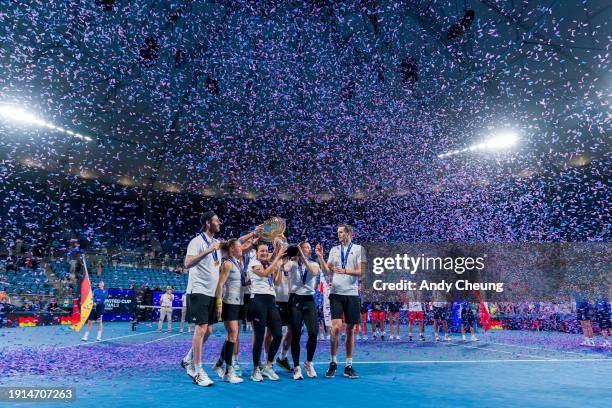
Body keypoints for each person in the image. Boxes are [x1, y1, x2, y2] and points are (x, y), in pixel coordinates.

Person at [316, 224, 365, 379]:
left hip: (352, 294)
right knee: (335, 328)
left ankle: (348, 365)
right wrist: (320, 257)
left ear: (349, 233)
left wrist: (345, 271)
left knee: (350, 329)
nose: (338, 235)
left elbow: (361, 272)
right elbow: (327, 271)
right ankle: (333, 362)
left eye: (341, 232)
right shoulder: (334, 250)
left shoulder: (359, 249)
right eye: (337, 232)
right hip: (336, 293)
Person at [180, 211, 223, 387]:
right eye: (216, 220)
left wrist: (254, 234)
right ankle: (198, 371)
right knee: (200, 330)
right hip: (198, 290)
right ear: (207, 223)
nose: (219, 222)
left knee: (209, 331)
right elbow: (187, 263)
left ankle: (188, 359)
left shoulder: (218, 243)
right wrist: (207, 251)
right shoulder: (196, 242)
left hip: (211, 293)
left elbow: (238, 246)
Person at [249, 241, 286, 382]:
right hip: (258, 300)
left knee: (278, 334)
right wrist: (277, 258)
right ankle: (255, 370)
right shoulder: (253, 263)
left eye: (266, 250)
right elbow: (264, 274)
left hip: (271, 301)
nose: (264, 253)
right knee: (259, 337)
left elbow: (276, 282)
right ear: (257, 253)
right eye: (262, 251)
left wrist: (280, 268)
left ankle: (268, 365)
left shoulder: (267, 264)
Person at [285, 242, 320, 379]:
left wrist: (302, 257)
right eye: (305, 247)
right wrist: (286, 254)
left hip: (309, 300)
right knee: (296, 334)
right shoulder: (293, 264)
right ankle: (297, 367)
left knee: (313, 332)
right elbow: (284, 267)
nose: (307, 249)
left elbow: (313, 272)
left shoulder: (314, 264)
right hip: (295, 300)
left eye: (308, 248)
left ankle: (309, 363)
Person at [212, 238, 245, 384]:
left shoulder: (238, 263)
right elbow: (220, 284)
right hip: (229, 303)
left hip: (237, 303)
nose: (242, 248)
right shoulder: (227, 264)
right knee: (233, 335)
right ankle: (228, 371)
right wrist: (219, 304)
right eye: (239, 246)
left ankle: (220, 363)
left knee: (232, 336)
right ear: (232, 249)